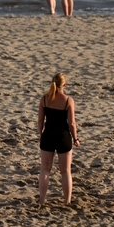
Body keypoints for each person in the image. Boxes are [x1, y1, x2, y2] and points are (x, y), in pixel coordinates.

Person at [38, 72, 80, 205]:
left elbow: (40, 121)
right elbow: (72, 123)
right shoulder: (68, 100)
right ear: (64, 85)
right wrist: (75, 138)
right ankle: (67, 201)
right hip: (63, 136)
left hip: (48, 135)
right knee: (65, 171)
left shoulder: (44, 99)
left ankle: (42, 200)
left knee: (45, 169)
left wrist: (41, 134)